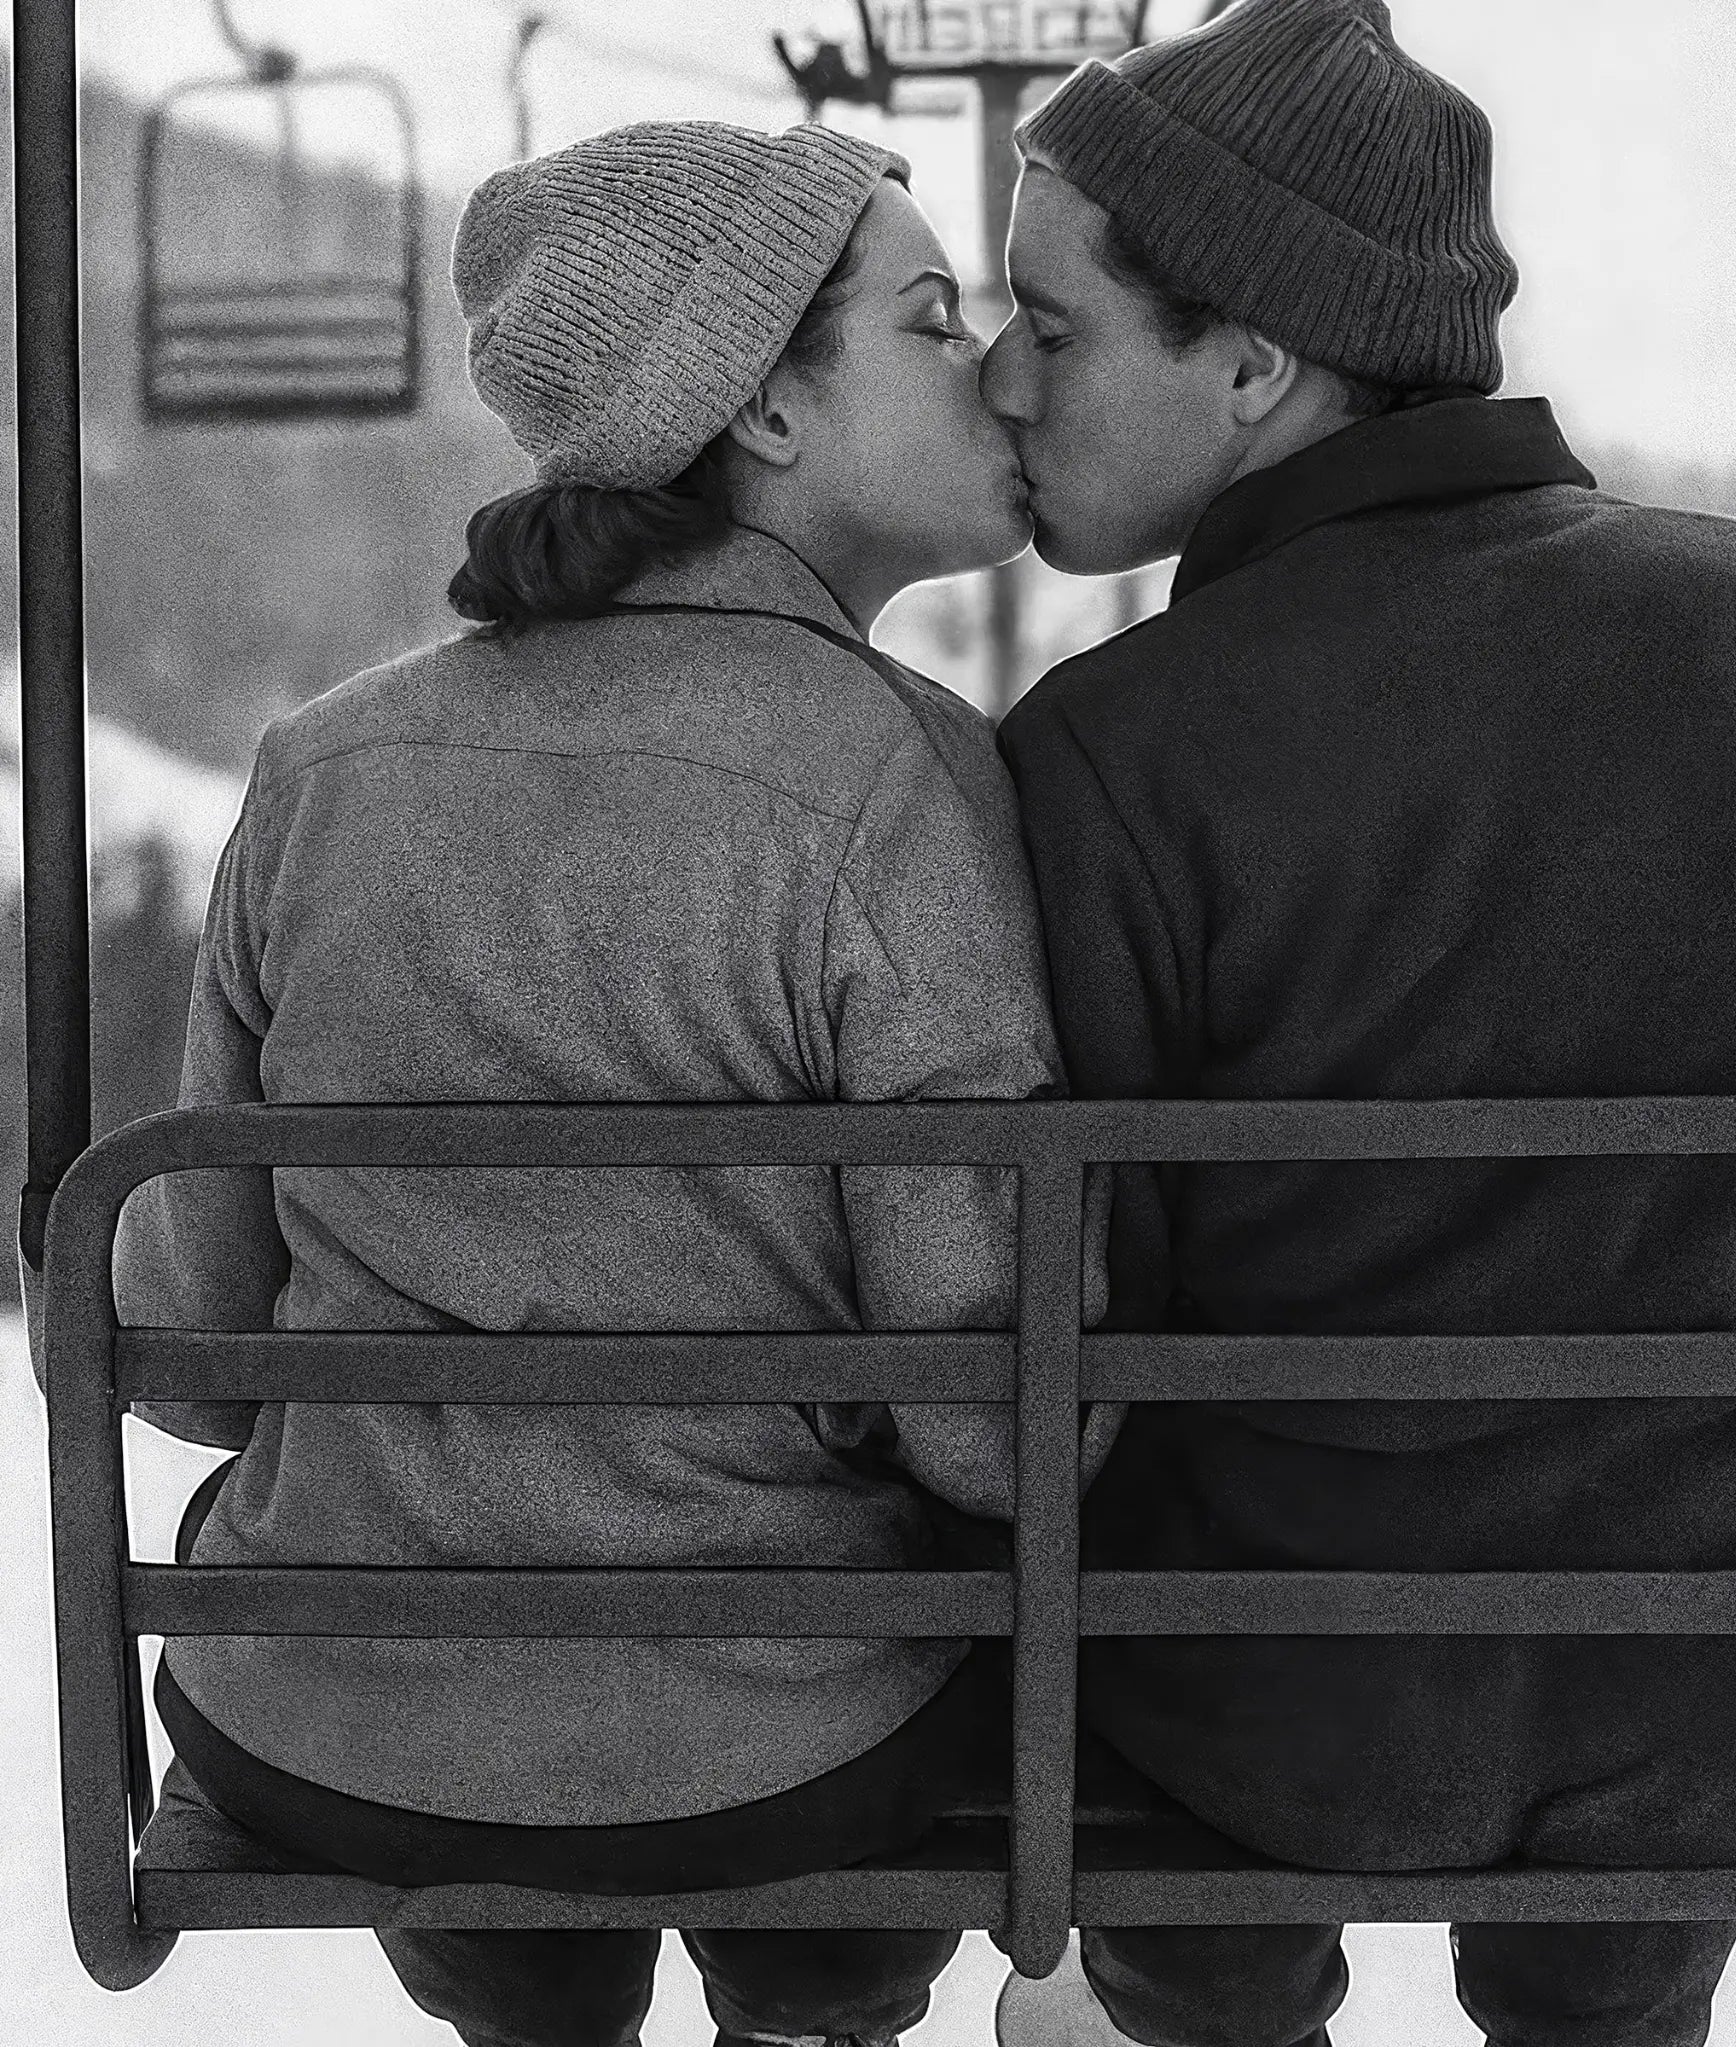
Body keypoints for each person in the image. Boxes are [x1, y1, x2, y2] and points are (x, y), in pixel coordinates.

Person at [983, 3, 1736, 2044]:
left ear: (1249, 361)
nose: (1005, 382)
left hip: (1269, 1702)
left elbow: (1072, 1318)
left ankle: (1199, 1998)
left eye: (1054, 323)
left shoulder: (1108, 754)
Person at [96, 120, 1113, 2047]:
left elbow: (205, 1350)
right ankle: (818, 2011)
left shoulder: (319, 770)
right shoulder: (901, 786)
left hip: (328, 1719)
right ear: (770, 418)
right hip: (772, 1745)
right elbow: (996, 1427)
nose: (985, 362)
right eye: (927, 320)